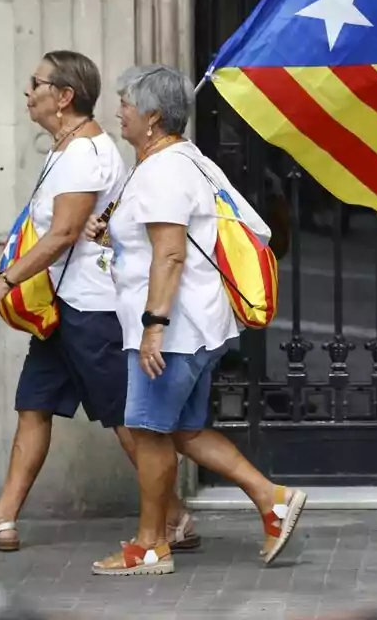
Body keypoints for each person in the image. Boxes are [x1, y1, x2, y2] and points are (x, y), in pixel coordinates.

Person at [0, 51, 198, 552]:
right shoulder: (66, 148)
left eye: (36, 83)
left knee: (126, 420)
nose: (27, 91)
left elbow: (62, 234)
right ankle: (2, 519)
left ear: (63, 97)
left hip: (91, 306)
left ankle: (174, 517)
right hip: (63, 308)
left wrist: (4, 282)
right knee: (34, 404)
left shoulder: (85, 154)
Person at [89, 65, 306, 576]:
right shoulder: (185, 159)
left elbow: (170, 255)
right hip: (199, 324)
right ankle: (273, 500)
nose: (118, 109)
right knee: (183, 430)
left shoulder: (164, 171)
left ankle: (149, 546)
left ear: (153, 116)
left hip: (176, 329)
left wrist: (153, 327)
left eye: (126, 102)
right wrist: (114, 238)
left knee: (147, 431)